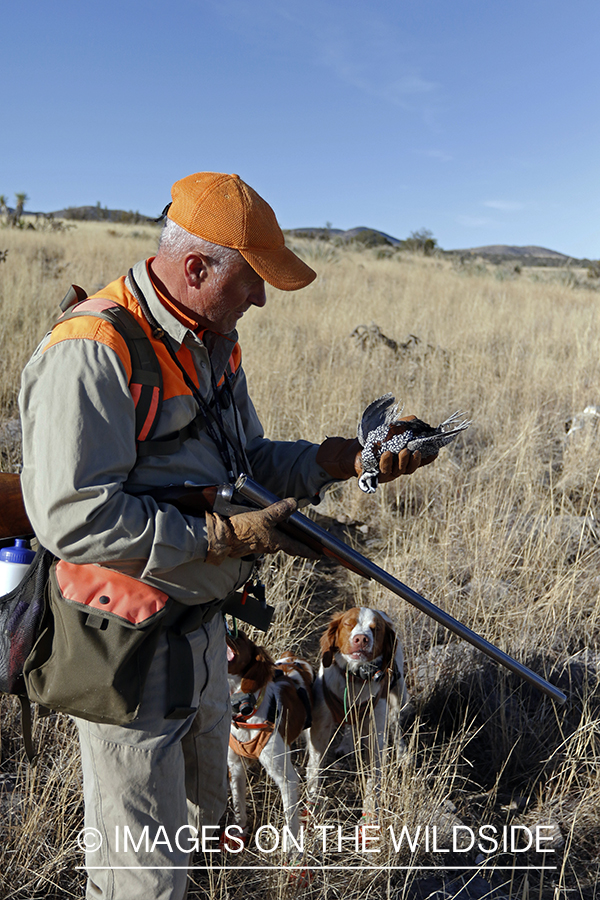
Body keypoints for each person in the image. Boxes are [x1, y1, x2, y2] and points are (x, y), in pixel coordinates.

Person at [18, 172, 433, 899]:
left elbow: (248, 462)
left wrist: (336, 460)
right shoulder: (93, 348)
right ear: (197, 268)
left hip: (205, 642)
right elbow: (70, 516)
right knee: (141, 881)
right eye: (251, 281)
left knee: (206, 844)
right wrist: (220, 539)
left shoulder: (211, 341)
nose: (262, 299)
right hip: (127, 654)